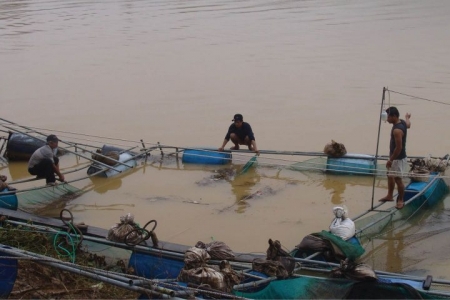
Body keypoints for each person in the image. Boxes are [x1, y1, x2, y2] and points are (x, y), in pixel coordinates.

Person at [379, 107, 411, 209]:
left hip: (398, 158)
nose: (387, 119)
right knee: (390, 175)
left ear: (393, 116)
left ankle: (401, 200)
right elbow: (408, 125)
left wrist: (391, 160)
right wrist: (407, 117)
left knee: (398, 179)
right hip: (394, 156)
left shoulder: (397, 130)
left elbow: (399, 148)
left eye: (388, 117)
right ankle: (389, 195)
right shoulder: (402, 122)